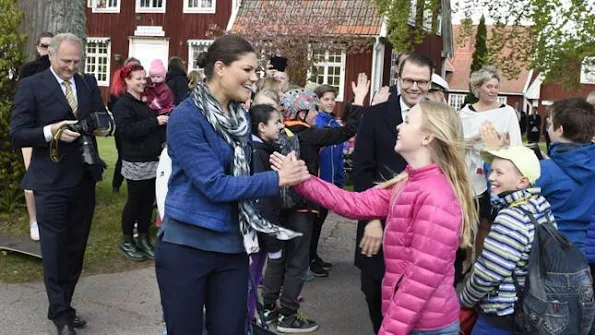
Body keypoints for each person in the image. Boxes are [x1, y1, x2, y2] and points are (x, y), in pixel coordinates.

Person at [272, 100, 477, 334]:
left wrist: (389, 330)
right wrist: (303, 180)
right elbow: (356, 203)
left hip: (426, 327)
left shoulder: (435, 195)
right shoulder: (410, 181)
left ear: (427, 137)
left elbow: (420, 281)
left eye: (408, 121)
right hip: (413, 322)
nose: (399, 126)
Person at [153, 34, 309, 335]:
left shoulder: (238, 116)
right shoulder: (186, 117)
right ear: (221, 68)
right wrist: (276, 179)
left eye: (255, 71)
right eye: (247, 70)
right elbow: (214, 185)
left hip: (231, 246)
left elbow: (245, 173)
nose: (254, 78)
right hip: (187, 247)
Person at [10, 33, 108, 335]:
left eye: (77, 61)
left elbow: (99, 117)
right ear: (51, 56)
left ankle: (63, 304)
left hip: (82, 178)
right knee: (53, 251)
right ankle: (62, 316)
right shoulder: (32, 86)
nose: (71, 67)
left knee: (75, 249)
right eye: (66, 61)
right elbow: (17, 133)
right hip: (49, 181)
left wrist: (101, 125)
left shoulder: (87, 83)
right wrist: (50, 131)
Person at [262, 81, 368, 333]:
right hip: (301, 209)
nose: (315, 114)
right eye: (311, 110)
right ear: (301, 112)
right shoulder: (309, 135)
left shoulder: (275, 135)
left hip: (276, 208)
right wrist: (358, 100)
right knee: (298, 262)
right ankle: (288, 314)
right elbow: (347, 131)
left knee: (277, 260)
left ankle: (268, 308)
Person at [352, 53, 433, 333]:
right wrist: (372, 219)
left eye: (421, 82)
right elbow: (361, 170)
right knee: (374, 290)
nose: (415, 87)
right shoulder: (374, 116)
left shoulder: (438, 118)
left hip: (423, 223)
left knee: (417, 296)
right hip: (379, 219)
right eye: (409, 80)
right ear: (398, 79)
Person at [459, 146, 556, 334]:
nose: (491, 177)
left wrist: (465, 299)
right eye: (492, 170)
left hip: (501, 317)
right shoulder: (540, 206)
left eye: (499, 172)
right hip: (529, 309)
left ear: (522, 181)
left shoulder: (511, 218)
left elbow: (488, 273)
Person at [459, 66, 522, 257]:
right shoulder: (465, 113)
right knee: (467, 221)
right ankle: (464, 262)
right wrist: (475, 139)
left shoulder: (507, 112)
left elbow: (516, 143)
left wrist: (500, 143)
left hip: (496, 173)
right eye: (489, 86)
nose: (493, 90)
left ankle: (481, 263)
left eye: (496, 86)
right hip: (470, 174)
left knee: (488, 222)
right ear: (478, 87)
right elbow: (457, 143)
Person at [112, 63, 168, 261]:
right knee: (135, 202)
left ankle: (143, 238)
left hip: (152, 160)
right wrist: (155, 122)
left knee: (147, 202)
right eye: (138, 78)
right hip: (135, 161)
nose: (143, 82)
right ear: (127, 80)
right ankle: (127, 240)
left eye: (144, 78)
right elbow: (128, 130)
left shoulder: (146, 102)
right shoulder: (123, 105)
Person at [534, 97, 595, 252]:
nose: (547, 128)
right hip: (582, 248)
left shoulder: (545, 170)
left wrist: (494, 155)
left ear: (560, 129)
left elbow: (505, 196)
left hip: (550, 249)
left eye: (550, 124)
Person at [247, 104, 285, 321]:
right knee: (249, 281)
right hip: (257, 234)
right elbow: (262, 201)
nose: (281, 126)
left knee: (251, 279)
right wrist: (273, 243)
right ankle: (245, 322)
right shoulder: (258, 155)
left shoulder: (262, 150)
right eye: (277, 122)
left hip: (257, 233)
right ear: (262, 127)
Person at [18, 31, 54, 241]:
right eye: (44, 46)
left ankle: (48, 219)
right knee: (32, 178)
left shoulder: (60, 71)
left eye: (51, 47)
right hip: (32, 132)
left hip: (54, 132)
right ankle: (34, 221)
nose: (47, 51)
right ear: (37, 47)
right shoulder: (29, 71)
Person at [309, 84, 344, 277]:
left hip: (330, 183)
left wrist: (339, 181)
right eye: (326, 99)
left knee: (320, 222)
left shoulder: (335, 125)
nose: (330, 103)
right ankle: (309, 258)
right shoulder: (317, 125)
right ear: (318, 102)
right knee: (314, 222)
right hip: (318, 183)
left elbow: (338, 158)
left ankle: (313, 254)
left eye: (332, 99)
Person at [108, 57, 141, 193]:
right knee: (123, 156)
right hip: (123, 128)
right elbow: (112, 106)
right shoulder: (119, 89)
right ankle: (117, 184)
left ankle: (133, 185)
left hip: (136, 126)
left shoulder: (140, 88)